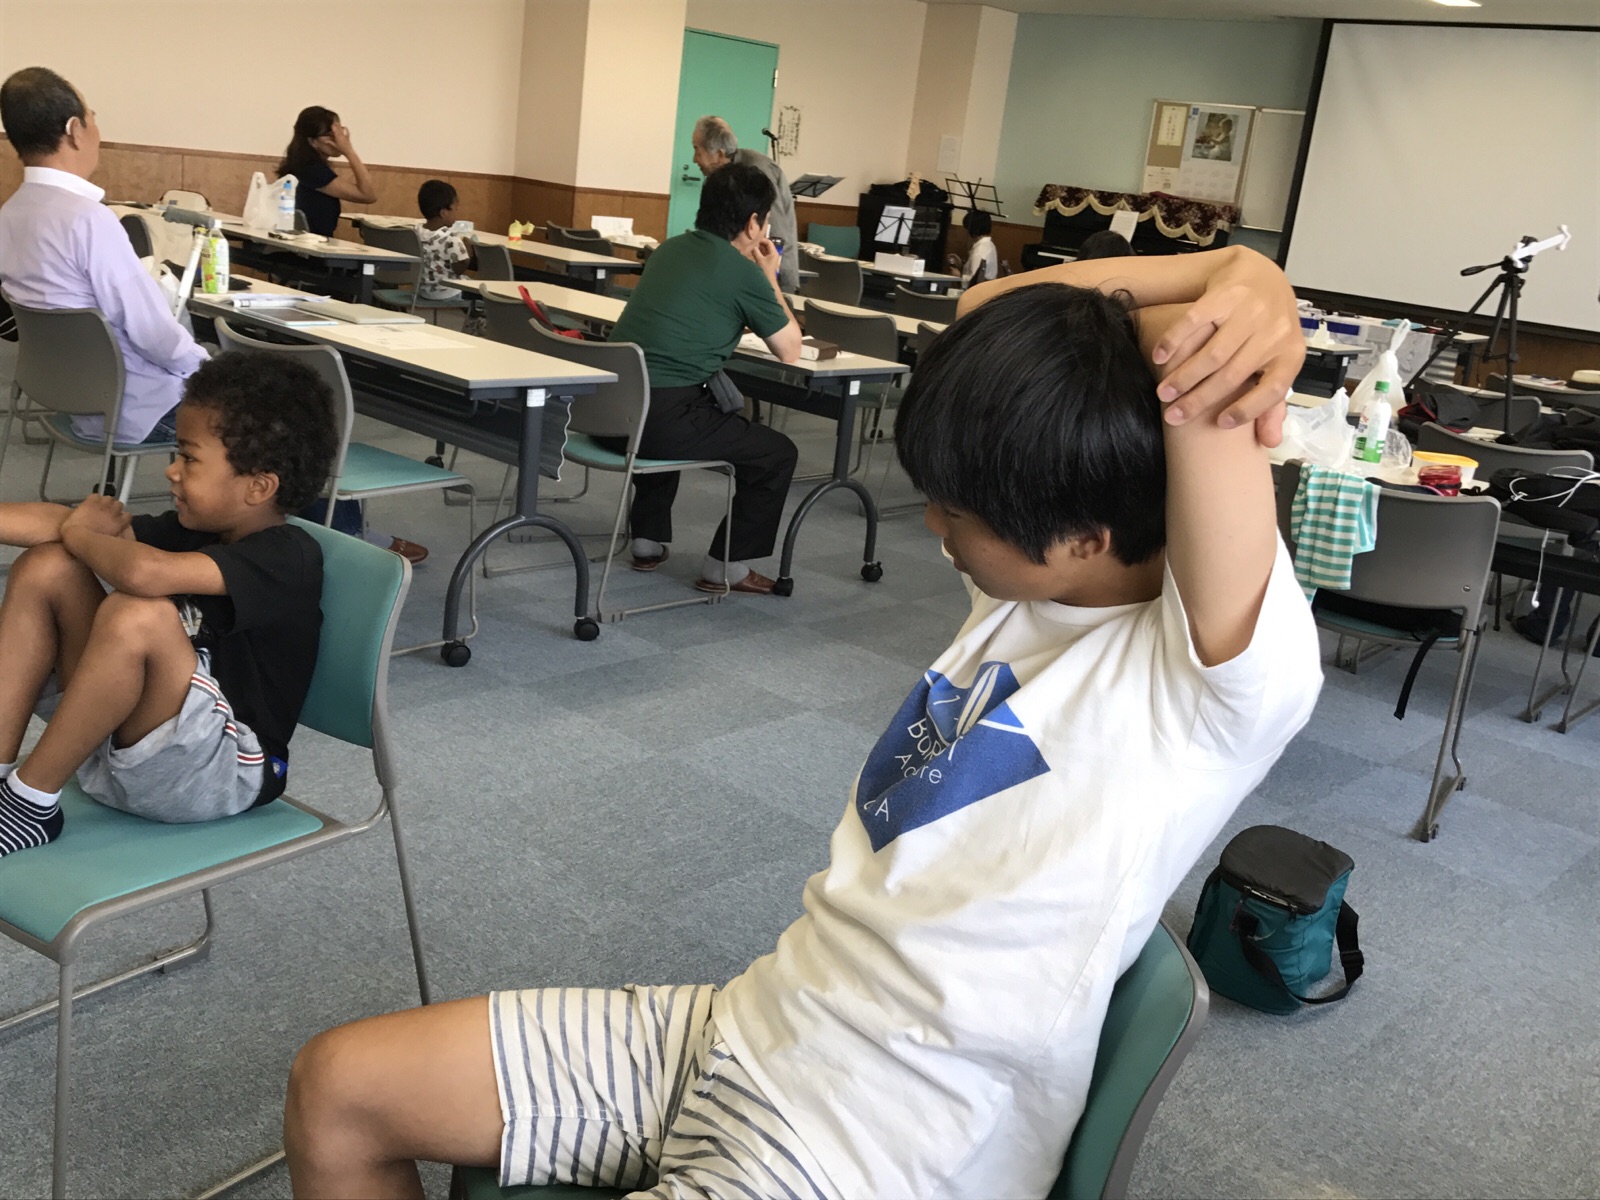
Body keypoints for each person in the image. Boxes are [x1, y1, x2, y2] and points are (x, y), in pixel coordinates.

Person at [278, 245, 1324, 1199]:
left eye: (958, 513)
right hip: (749, 1028)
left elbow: (1202, 398)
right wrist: (1239, 270)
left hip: (885, 1141)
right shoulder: (1027, 587)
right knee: (339, 1088)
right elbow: (984, 312)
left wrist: (1237, 312)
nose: (934, 527)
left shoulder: (1214, 685)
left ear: (1085, 537)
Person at [0, 353, 338, 858]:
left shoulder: (290, 557)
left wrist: (81, 533)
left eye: (190, 459)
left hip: (220, 774)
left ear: (258, 486)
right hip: (121, 750)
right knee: (47, 565)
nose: (172, 471)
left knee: (138, 613)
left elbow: (144, 574)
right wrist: (76, 529)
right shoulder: (192, 530)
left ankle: (29, 803)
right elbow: (56, 525)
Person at [602, 161, 802, 595]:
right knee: (776, 453)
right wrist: (769, 277)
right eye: (766, 219)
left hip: (609, 414)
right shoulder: (743, 272)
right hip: (656, 425)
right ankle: (726, 567)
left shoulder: (669, 249)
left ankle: (647, 541)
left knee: (675, 401)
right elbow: (790, 349)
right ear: (754, 224)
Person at [0, 66, 207, 445]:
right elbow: (153, 333)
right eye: (93, 118)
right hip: (139, 409)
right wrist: (208, 370)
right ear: (74, 130)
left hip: (70, 400)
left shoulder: (9, 214)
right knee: (277, 418)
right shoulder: (88, 219)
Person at [693, 115, 799, 294]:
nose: (694, 159)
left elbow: (775, 232)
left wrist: (770, 278)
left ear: (719, 153)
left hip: (771, 273)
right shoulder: (723, 178)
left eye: (697, 150)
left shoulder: (757, 170)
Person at [276, 106, 377, 238]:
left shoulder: (303, 166)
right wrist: (349, 151)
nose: (339, 139)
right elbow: (367, 195)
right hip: (309, 245)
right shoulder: (311, 170)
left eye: (339, 132)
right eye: (330, 135)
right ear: (313, 142)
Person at [415, 179, 473, 301]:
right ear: (444, 213)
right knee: (482, 291)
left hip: (423, 291)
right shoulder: (451, 238)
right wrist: (468, 250)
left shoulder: (415, 232)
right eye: (455, 209)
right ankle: (475, 313)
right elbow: (459, 269)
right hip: (449, 291)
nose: (457, 212)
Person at [960, 208, 1000, 285]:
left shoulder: (980, 249)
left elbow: (975, 279)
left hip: (979, 289)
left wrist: (958, 275)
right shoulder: (989, 244)